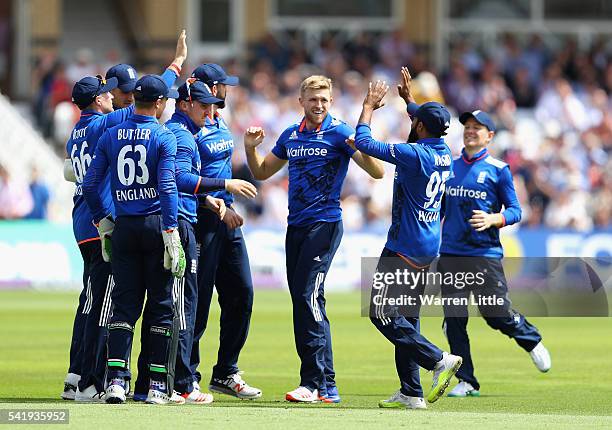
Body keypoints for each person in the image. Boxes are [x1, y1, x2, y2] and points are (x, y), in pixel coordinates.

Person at [61, 30, 187, 402]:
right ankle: (91, 380)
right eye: (114, 93)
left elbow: (74, 173)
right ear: (101, 98)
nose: (124, 98)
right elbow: (145, 105)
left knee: (90, 300)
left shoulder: (76, 133)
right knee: (105, 303)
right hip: (107, 224)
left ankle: (76, 376)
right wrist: (175, 67)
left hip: (85, 221)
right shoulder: (106, 125)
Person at [244, 75, 384, 403]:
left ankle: (317, 382)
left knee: (308, 297)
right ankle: (322, 384)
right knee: (305, 302)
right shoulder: (291, 135)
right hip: (296, 227)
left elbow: (377, 172)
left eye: (324, 99)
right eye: (312, 99)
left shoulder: (340, 132)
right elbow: (263, 172)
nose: (318, 105)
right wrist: (250, 149)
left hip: (325, 225)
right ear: (301, 102)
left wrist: (360, 146)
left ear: (331, 102)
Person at [134, 79, 257, 404]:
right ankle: (179, 382)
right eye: (204, 103)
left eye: (212, 102)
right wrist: (222, 189)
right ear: (185, 102)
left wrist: (213, 199)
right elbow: (177, 178)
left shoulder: (191, 127)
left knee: (174, 303)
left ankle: (153, 382)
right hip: (184, 222)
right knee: (183, 305)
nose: (211, 108)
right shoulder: (181, 133)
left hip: (190, 215)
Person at [351, 68, 461, 409]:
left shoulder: (415, 155)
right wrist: (411, 102)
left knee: (380, 312)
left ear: (419, 127)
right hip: (429, 244)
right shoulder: (445, 154)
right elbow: (425, 121)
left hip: (404, 245)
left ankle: (438, 359)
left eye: (416, 119)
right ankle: (412, 392)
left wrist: (368, 107)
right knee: (407, 318)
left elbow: (365, 143)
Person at [439, 109, 551, 398]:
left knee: (496, 314)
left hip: (484, 254)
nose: (471, 131)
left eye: (478, 127)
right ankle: (467, 381)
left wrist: (494, 219)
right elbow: (437, 209)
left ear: (490, 136)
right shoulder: (448, 167)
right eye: (468, 126)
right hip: (451, 253)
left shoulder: (498, 169)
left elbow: (515, 210)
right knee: (454, 320)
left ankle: (531, 339)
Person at [187, 63, 262, 400]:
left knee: (242, 294)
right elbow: (182, 179)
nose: (227, 90)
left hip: (228, 220)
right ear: (209, 87)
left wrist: (248, 147)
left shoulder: (220, 122)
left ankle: (226, 372)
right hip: (203, 222)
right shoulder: (188, 129)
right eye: (222, 86)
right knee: (198, 303)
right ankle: (188, 376)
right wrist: (214, 204)